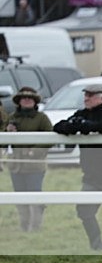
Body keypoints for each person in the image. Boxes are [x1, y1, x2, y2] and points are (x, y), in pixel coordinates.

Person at [53, 84, 102, 250]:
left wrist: (89, 126)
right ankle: (97, 245)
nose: (86, 98)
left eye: (90, 95)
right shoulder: (81, 114)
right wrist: (74, 126)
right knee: (84, 210)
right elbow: (59, 126)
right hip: (92, 175)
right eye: (85, 95)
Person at [5, 87, 53, 231]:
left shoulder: (42, 118)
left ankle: (35, 226)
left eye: (30, 98)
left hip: (34, 164)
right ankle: (24, 225)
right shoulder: (12, 117)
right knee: (19, 196)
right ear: (19, 101)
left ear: (35, 101)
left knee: (34, 194)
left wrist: (34, 152)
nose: (26, 100)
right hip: (16, 164)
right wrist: (8, 132)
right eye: (23, 98)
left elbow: (50, 139)